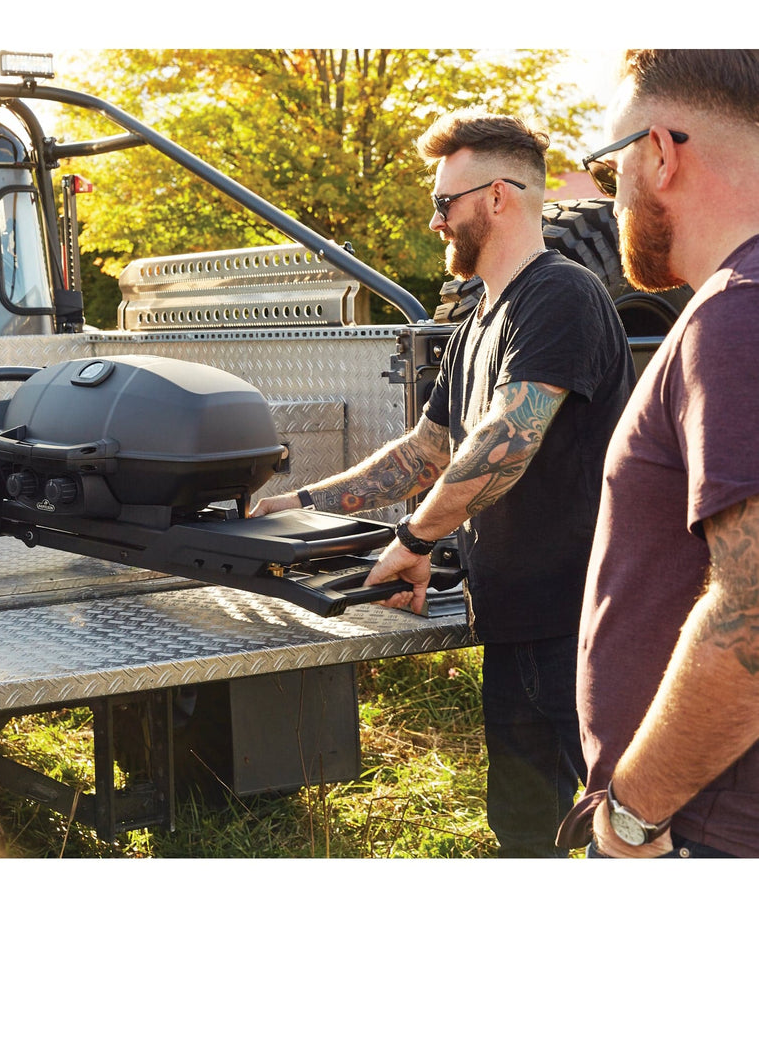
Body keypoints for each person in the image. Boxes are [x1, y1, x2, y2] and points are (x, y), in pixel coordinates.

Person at [252, 111, 634, 857]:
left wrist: (414, 538)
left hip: (582, 626)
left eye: (444, 203)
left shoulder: (560, 295)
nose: (434, 221)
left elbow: (506, 439)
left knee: (616, 835)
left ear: (498, 197)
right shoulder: (477, 322)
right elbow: (427, 450)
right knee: (525, 833)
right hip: (515, 622)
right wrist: (300, 504)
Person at [555, 50, 759, 859]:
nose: (613, 197)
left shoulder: (738, 314)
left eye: (610, 170)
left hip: (699, 835)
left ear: (662, 152)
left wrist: (634, 815)